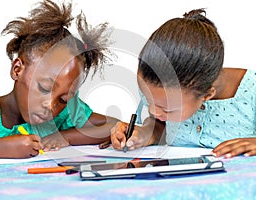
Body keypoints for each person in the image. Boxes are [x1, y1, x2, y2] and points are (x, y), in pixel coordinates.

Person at [0, 0, 118, 158]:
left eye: (63, 99)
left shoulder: (64, 113)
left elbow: (113, 127)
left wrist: (65, 137)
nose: (51, 106)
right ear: (17, 69)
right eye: (44, 88)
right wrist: (2, 148)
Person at [110, 9, 256, 158]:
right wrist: (145, 133)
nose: (154, 111)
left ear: (206, 95)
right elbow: (162, 125)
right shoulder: (157, 88)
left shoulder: (252, 91)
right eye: (148, 100)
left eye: (168, 109)